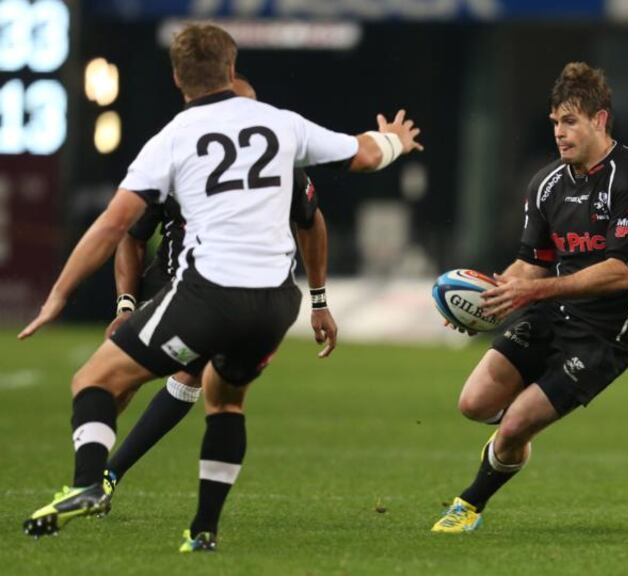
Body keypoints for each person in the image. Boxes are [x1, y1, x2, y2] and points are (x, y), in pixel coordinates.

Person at [19, 23, 422, 552]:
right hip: (276, 302)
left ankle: (90, 483)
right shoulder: (280, 123)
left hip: (209, 293)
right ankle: (203, 530)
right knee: (226, 401)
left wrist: (58, 295)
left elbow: (114, 225)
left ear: (176, 77)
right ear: (231, 70)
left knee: (93, 380)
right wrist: (395, 141)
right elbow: (365, 154)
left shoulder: (171, 138)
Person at [431, 62, 628, 533]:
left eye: (570, 121)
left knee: (515, 425)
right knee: (473, 403)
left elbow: (620, 273)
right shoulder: (546, 184)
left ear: (600, 119)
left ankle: (469, 503)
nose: (559, 132)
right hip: (551, 312)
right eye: (555, 122)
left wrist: (533, 289)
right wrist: (486, 300)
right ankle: (514, 436)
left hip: (607, 334)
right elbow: (531, 263)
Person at [101, 73, 338, 495]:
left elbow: (310, 220)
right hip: (179, 287)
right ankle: (98, 470)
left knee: (198, 378)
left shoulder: (278, 162)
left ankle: (106, 478)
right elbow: (131, 234)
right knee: (120, 378)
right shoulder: (177, 155)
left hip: (242, 294)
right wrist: (125, 305)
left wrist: (319, 300)